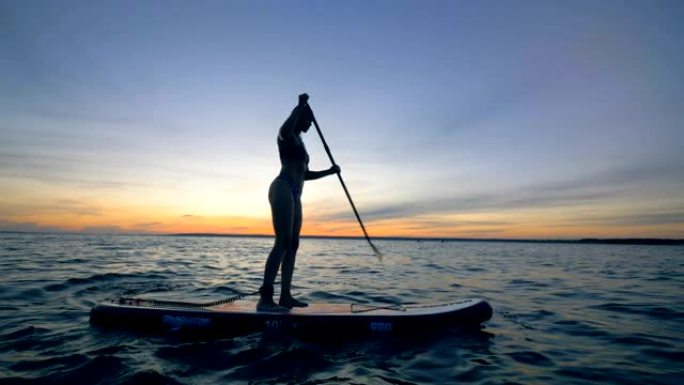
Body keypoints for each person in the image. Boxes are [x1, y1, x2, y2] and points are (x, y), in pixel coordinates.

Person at [257, 93, 340, 312]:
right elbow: (286, 128)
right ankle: (265, 299)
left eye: (312, 122)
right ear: (299, 117)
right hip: (282, 187)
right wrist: (299, 105)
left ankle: (285, 296)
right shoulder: (287, 136)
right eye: (308, 121)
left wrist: (330, 172)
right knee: (282, 241)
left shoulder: (301, 143)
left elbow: (305, 174)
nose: (310, 125)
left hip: (296, 192)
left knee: (293, 244)